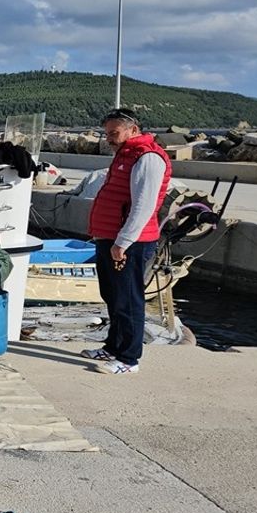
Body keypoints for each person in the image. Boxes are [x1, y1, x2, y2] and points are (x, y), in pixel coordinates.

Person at [83, 107, 171, 374]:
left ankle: (129, 359)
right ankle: (113, 347)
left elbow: (144, 206)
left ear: (133, 129)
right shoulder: (127, 154)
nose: (109, 138)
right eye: (107, 133)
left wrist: (123, 242)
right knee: (112, 295)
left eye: (114, 133)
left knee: (128, 299)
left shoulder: (147, 157)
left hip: (130, 242)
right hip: (111, 238)